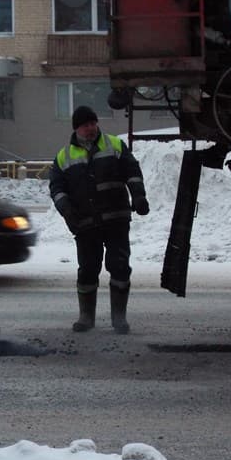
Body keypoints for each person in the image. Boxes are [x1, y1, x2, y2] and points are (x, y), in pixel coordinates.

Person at [49, 105, 150, 334]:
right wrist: (66, 210)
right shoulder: (64, 156)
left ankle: (119, 318)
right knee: (87, 269)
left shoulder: (114, 145)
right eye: (86, 125)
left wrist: (139, 196)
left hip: (116, 219)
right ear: (77, 129)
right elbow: (57, 188)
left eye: (93, 123)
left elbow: (132, 171)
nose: (91, 128)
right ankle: (86, 317)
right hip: (84, 224)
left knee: (120, 266)